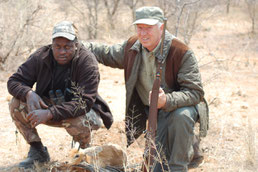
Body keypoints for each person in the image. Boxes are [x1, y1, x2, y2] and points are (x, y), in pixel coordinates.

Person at [85, 6, 209, 172]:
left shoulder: (181, 52)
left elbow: (196, 93)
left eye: (148, 28)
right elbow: (106, 53)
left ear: (161, 27)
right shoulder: (132, 48)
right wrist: (75, 45)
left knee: (181, 116)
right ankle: (184, 146)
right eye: (140, 28)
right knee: (156, 167)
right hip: (154, 115)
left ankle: (180, 164)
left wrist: (167, 101)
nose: (143, 33)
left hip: (177, 109)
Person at [7, 21, 113, 169]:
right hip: (47, 108)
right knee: (16, 103)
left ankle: (83, 152)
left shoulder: (87, 61)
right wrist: (28, 93)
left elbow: (84, 103)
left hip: (82, 113)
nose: (62, 51)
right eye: (58, 46)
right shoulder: (41, 56)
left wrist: (50, 113)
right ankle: (37, 151)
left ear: (76, 44)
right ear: (52, 45)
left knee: (80, 119)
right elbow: (14, 81)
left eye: (67, 47)